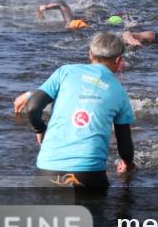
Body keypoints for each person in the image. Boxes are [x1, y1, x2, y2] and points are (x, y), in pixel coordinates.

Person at [26, 32, 135, 187]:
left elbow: (32, 107)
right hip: (89, 176)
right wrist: (128, 163)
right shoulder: (120, 92)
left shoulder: (65, 72)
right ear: (118, 60)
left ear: (90, 54)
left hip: (48, 170)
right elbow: (124, 143)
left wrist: (39, 129)